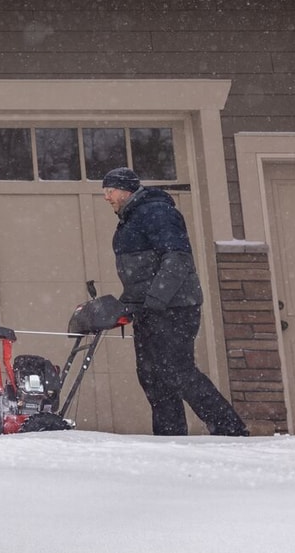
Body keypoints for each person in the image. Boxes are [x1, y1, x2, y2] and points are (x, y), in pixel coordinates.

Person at [101, 166, 250, 437]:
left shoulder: (157, 213)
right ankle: (170, 437)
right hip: (150, 310)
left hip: (174, 308)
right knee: (152, 376)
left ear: (125, 190)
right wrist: (128, 305)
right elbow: (141, 274)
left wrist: (155, 300)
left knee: (178, 372)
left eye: (110, 191)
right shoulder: (130, 219)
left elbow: (177, 260)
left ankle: (231, 430)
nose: (106, 197)